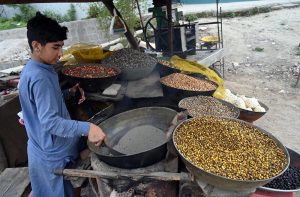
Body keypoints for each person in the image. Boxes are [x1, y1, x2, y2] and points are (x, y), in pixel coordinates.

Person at [18, 12, 106, 197]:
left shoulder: (38, 68)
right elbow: (50, 122)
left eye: (61, 47)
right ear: (36, 46)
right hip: (51, 154)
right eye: (55, 47)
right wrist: (87, 127)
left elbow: (44, 102)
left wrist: (68, 93)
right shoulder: (39, 77)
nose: (61, 54)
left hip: (45, 147)